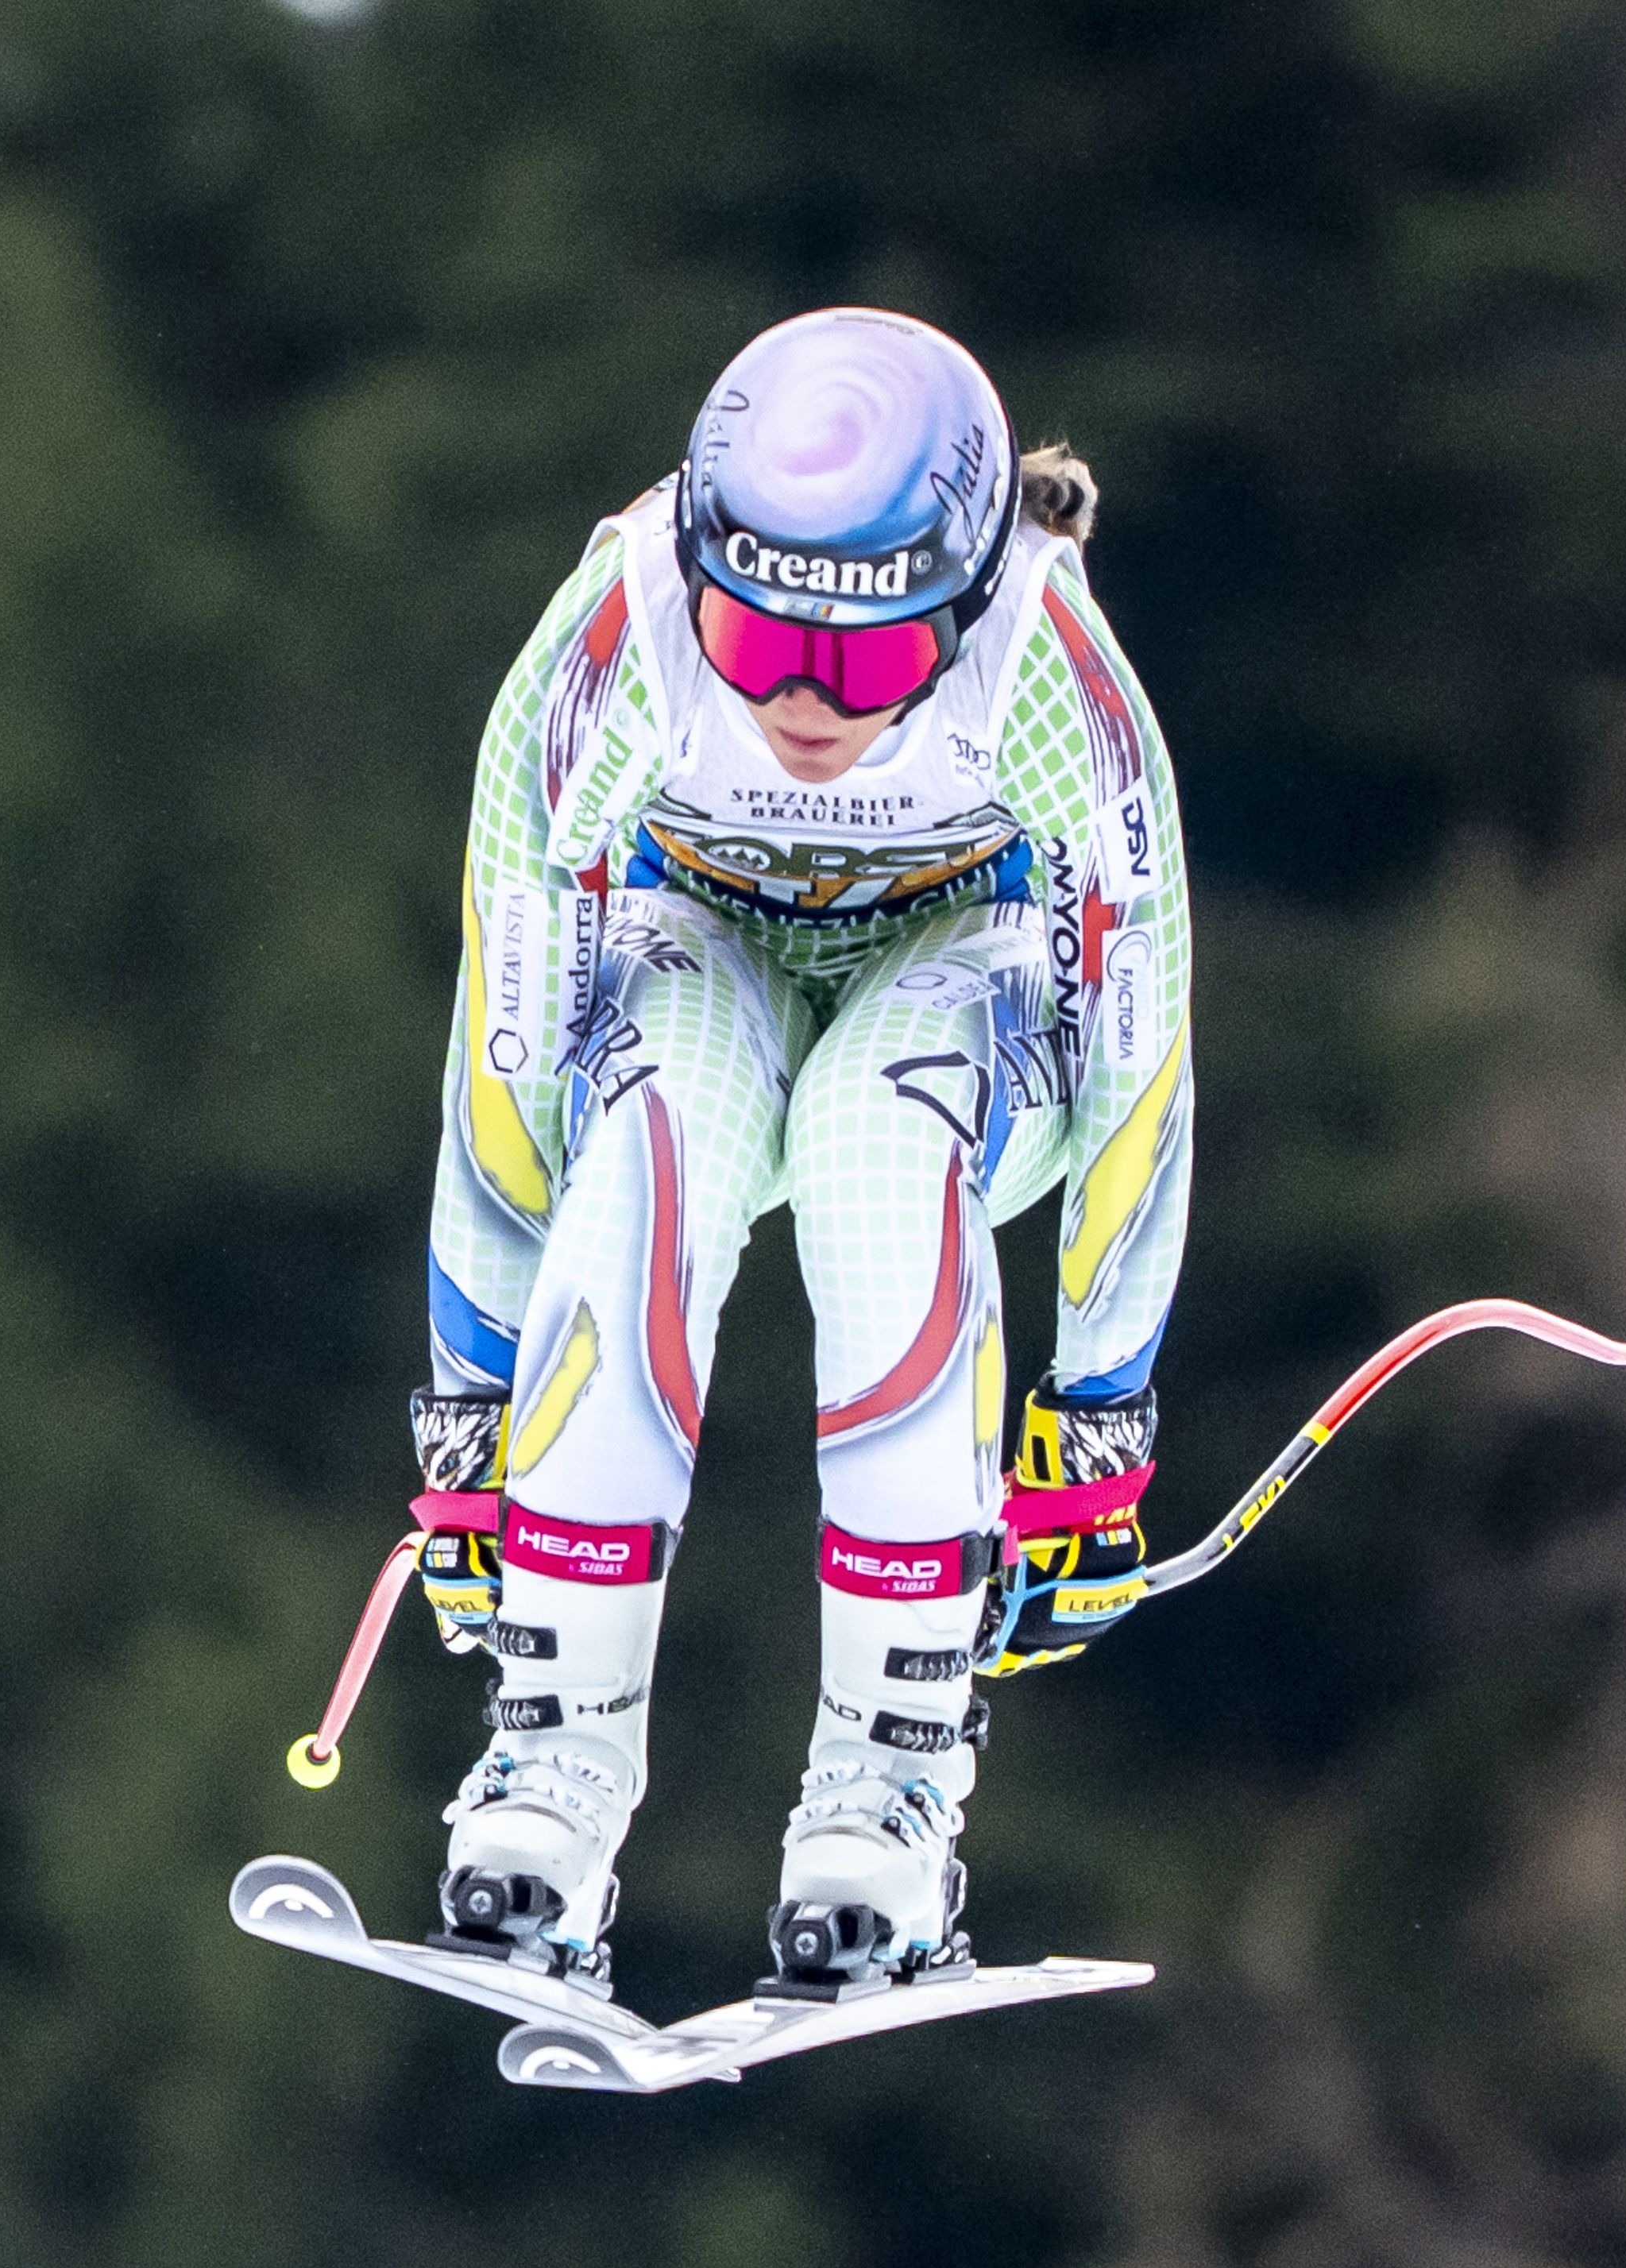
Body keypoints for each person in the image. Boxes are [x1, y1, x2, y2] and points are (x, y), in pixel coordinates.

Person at [408, 307, 1191, 1998]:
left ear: (965, 609)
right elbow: (505, 1036)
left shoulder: (1051, 674)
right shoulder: (615, 637)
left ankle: (890, 1795)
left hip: (972, 968)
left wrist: (1105, 1411)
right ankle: (553, 1768)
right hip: (704, 941)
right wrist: (471, 1411)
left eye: (867, 661)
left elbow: (1140, 1052)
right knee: (641, 1145)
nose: (803, 705)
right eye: (758, 645)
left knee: (872, 1144)